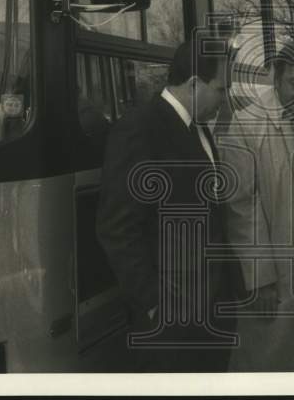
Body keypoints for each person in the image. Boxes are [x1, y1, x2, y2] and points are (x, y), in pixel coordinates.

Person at [96, 39, 237, 372]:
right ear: (192, 84)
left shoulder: (200, 128)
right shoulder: (139, 128)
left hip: (211, 315)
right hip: (170, 326)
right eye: (220, 89)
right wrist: (155, 303)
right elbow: (116, 228)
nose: (225, 99)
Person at [219, 37, 294, 371]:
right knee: (275, 357)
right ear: (277, 78)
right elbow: (240, 207)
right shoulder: (246, 123)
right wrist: (260, 277)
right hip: (280, 271)